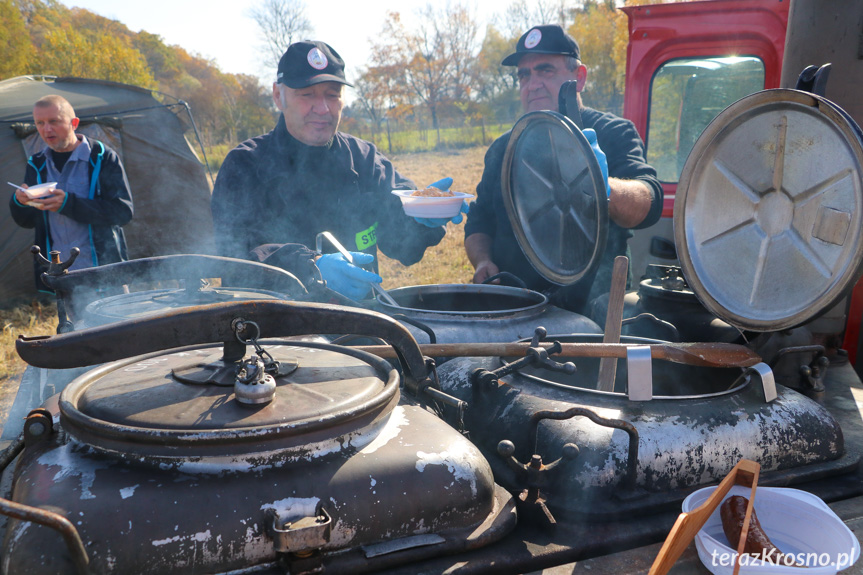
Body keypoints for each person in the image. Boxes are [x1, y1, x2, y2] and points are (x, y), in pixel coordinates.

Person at [211, 40, 466, 301]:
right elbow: (235, 260)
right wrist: (309, 268)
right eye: (307, 94)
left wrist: (421, 215)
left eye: (332, 95)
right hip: (275, 332)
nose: (322, 109)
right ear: (279, 96)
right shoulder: (244, 165)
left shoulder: (364, 159)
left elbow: (403, 247)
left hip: (362, 326)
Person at [464, 25, 663, 314]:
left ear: (578, 78)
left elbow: (649, 203)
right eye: (524, 75)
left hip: (595, 308)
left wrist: (606, 187)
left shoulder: (614, 133)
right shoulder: (503, 149)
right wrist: (482, 260)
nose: (532, 84)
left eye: (546, 71)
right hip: (514, 303)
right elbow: (479, 220)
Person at [9, 94, 134, 291]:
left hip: (105, 273)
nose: (46, 129)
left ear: (74, 123)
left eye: (54, 121)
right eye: (39, 123)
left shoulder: (102, 157)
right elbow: (27, 222)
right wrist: (20, 202)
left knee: (119, 322)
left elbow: (122, 212)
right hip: (63, 277)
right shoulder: (37, 163)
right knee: (75, 323)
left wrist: (68, 204)